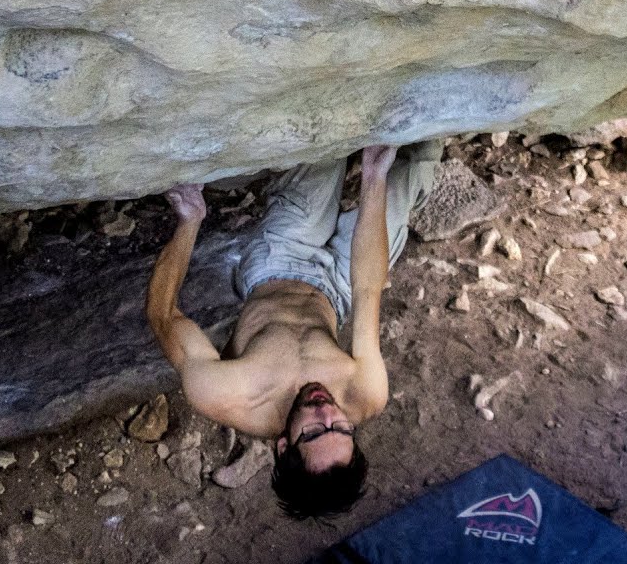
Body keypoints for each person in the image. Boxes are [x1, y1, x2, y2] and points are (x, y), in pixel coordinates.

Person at [146, 142, 440, 519]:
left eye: (314, 433)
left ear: (283, 447)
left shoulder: (228, 393)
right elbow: (368, 290)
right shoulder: (364, 394)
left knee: (327, 151)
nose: (326, 412)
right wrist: (373, 176)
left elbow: (163, 315)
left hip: (279, 260)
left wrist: (190, 219)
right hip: (342, 290)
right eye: (342, 429)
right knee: (411, 169)